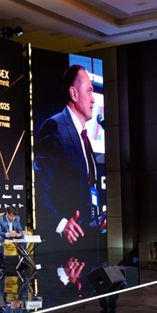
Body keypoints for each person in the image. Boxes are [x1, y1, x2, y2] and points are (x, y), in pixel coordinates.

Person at [34, 64, 102, 245]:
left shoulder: (83, 136)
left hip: (89, 234)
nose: (93, 99)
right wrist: (61, 224)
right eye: (89, 91)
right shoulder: (56, 127)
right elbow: (38, 186)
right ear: (74, 93)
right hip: (66, 242)